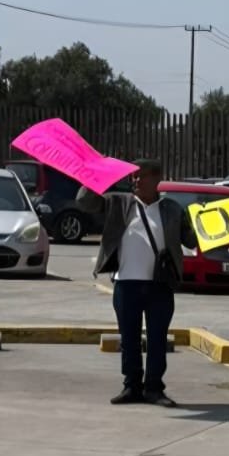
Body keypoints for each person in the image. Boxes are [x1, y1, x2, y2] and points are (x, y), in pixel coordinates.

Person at [77, 161, 194, 407]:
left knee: (157, 339)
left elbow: (192, 239)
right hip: (126, 284)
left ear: (156, 179)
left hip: (159, 285)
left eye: (141, 176)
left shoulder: (171, 209)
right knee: (129, 338)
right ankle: (131, 386)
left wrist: (207, 221)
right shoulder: (118, 203)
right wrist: (95, 177)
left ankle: (154, 388)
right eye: (133, 177)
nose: (136, 181)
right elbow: (85, 203)